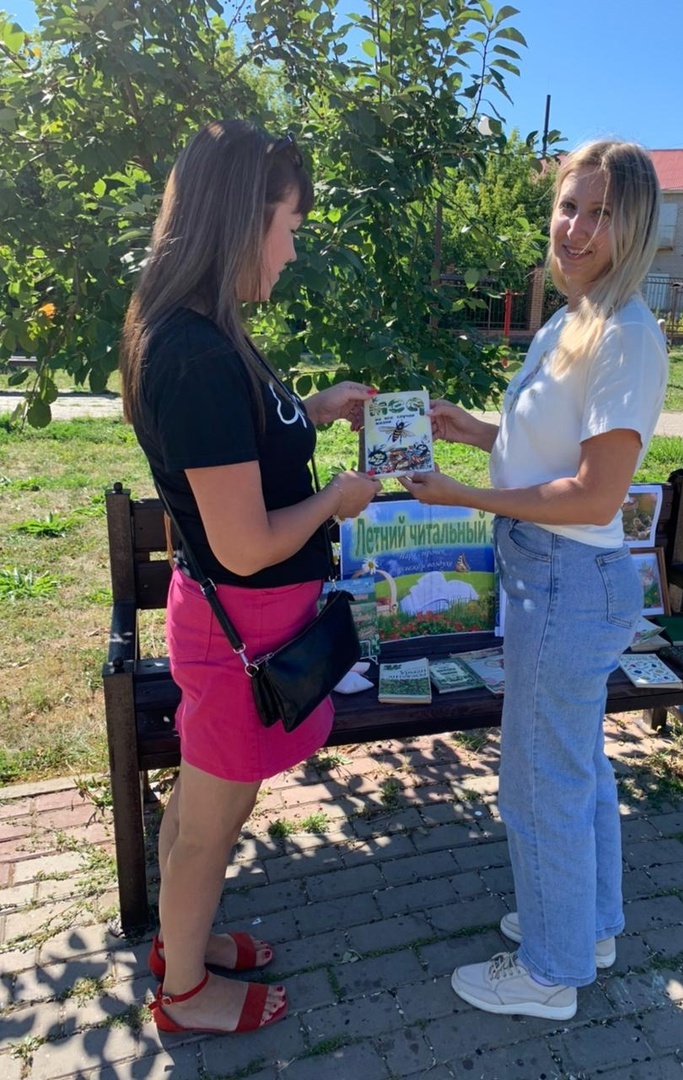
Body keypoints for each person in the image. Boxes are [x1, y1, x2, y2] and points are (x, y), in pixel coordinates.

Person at [119, 120, 381, 1035]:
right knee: (210, 819)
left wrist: (313, 410)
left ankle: (180, 945)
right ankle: (185, 994)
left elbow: (236, 443)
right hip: (241, 627)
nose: (292, 249)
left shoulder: (202, 332)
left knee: (205, 805)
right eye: (289, 226)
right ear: (242, 219)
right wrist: (335, 500)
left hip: (244, 623)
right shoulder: (193, 352)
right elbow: (245, 542)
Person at [399, 140, 667, 1020]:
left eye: (601, 214)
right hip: (554, 576)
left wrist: (464, 494)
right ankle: (587, 926)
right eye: (568, 206)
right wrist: (474, 430)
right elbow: (550, 449)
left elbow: (595, 492)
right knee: (574, 766)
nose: (576, 228)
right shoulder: (576, 318)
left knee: (539, 780)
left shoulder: (625, 334)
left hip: (564, 578)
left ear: (634, 229)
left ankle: (551, 974)